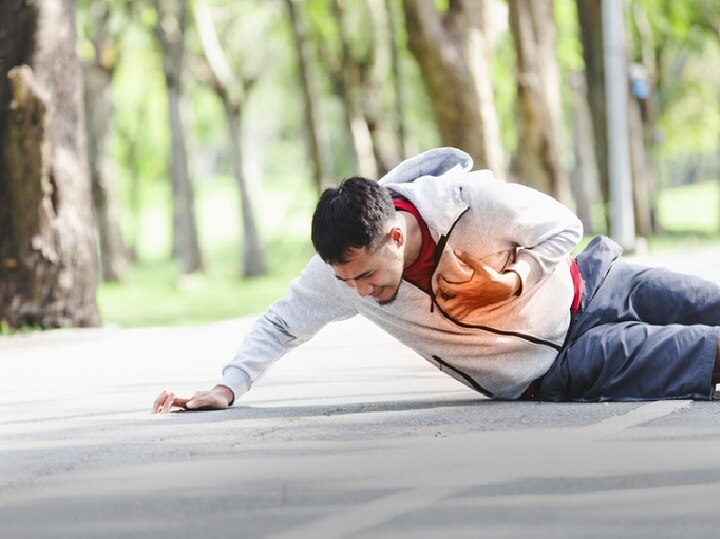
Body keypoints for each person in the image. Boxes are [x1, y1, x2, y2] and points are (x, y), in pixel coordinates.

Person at [152, 147, 720, 413]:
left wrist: (513, 282)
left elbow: (562, 226)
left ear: (395, 237)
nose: (359, 293)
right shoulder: (340, 272)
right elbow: (280, 323)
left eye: (368, 277)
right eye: (345, 281)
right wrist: (226, 387)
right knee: (708, 353)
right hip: (557, 364)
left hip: (593, 282)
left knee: (709, 303)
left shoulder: (469, 203)